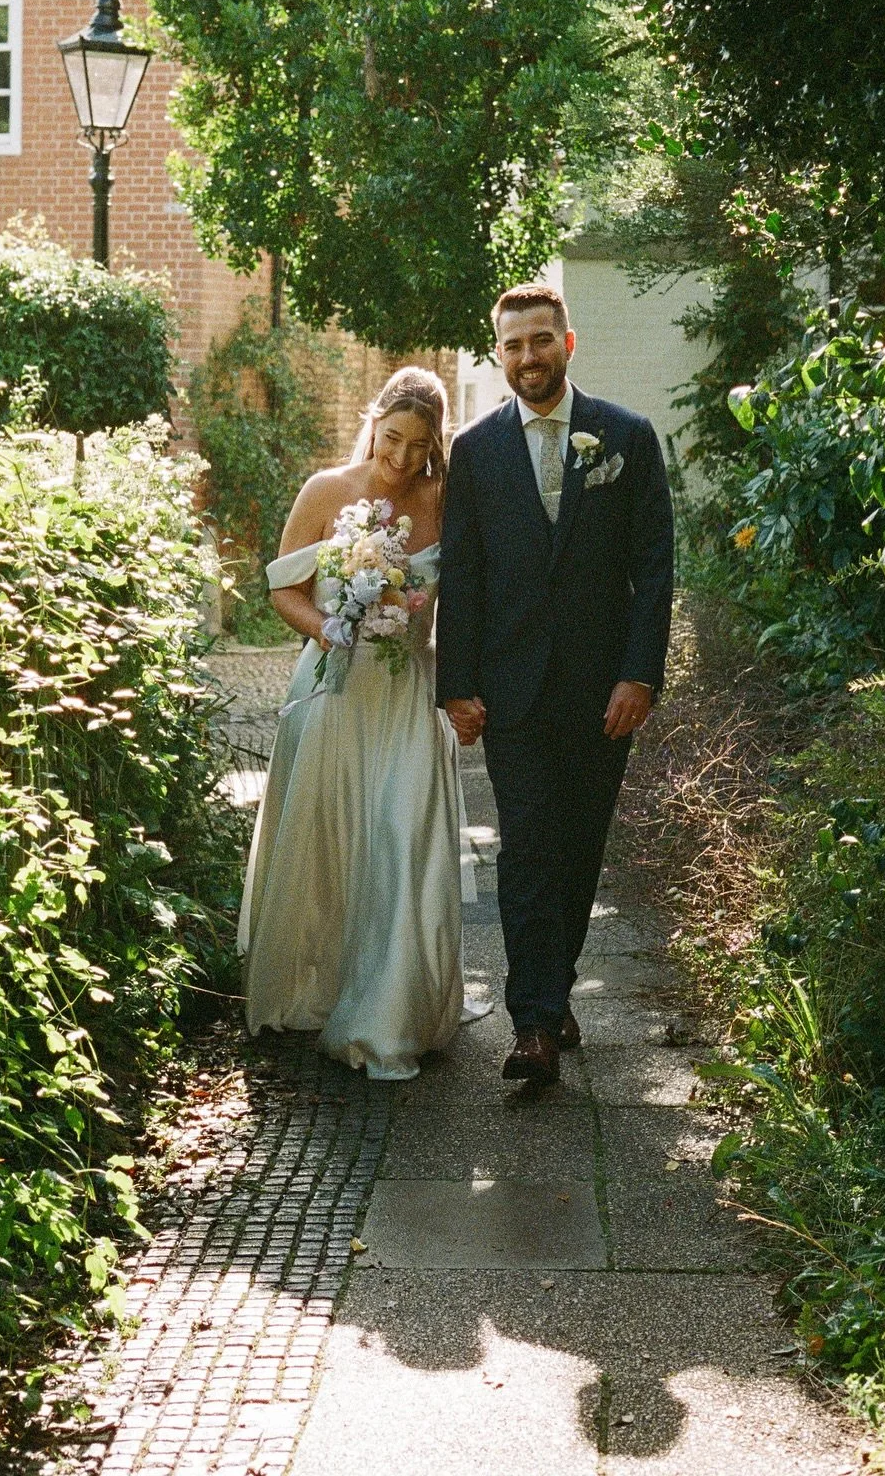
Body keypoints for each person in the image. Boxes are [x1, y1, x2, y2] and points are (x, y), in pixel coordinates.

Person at [437, 283, 675, 1087]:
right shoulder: (473, 451)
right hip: (511, 692)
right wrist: (456, 683)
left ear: (566, 345)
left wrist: (640, 673)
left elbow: (653, 568)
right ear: (497, 353)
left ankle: (554, 985)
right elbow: (463, 575)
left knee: (578, 850)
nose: (527, 357)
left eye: (541, 341)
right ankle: (534, 1023)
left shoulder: (627, 439)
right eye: (513, 345)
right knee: (528, 848)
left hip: (603, 691)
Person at [237, 366, 486, 1080]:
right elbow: (281, 585)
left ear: (437, 444)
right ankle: (312, 987)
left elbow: (468, 594)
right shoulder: (327, 490)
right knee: (326, 836)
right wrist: (325, 628)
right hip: (334, 691)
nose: (402, 457)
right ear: (374, 419)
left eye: (419, 445)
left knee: (405, 838)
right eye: (394, 437)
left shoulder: (445, 498)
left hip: (409, 694)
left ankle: (393, 1011)